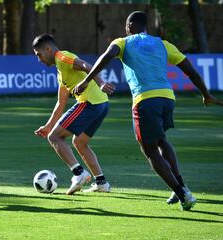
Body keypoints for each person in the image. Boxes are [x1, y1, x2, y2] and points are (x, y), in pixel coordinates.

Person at [73, 11, 223, 210]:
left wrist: (86, 80)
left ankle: (183, 193)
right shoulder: (162, 43)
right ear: (146, 27)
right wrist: (206, 94)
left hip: (146, 100)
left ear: (129, 27)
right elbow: (190, 69)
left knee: (149, 149)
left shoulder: (123, 42)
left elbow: (106, 56)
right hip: (167, 98)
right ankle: (180, 186)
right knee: (161, 140)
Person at [32, 34, 115, 195]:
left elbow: (85, 65)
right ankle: (101, 182)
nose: (39, 59)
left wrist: (101, 82)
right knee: (79, 142)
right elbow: (60, 103)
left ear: (48, 49)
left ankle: (79, 174)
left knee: (55, 137)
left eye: (39, 54)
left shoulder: (63, 57)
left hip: (89, 103)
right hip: (101, 104)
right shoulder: (60, 70)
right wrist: (48, 126)